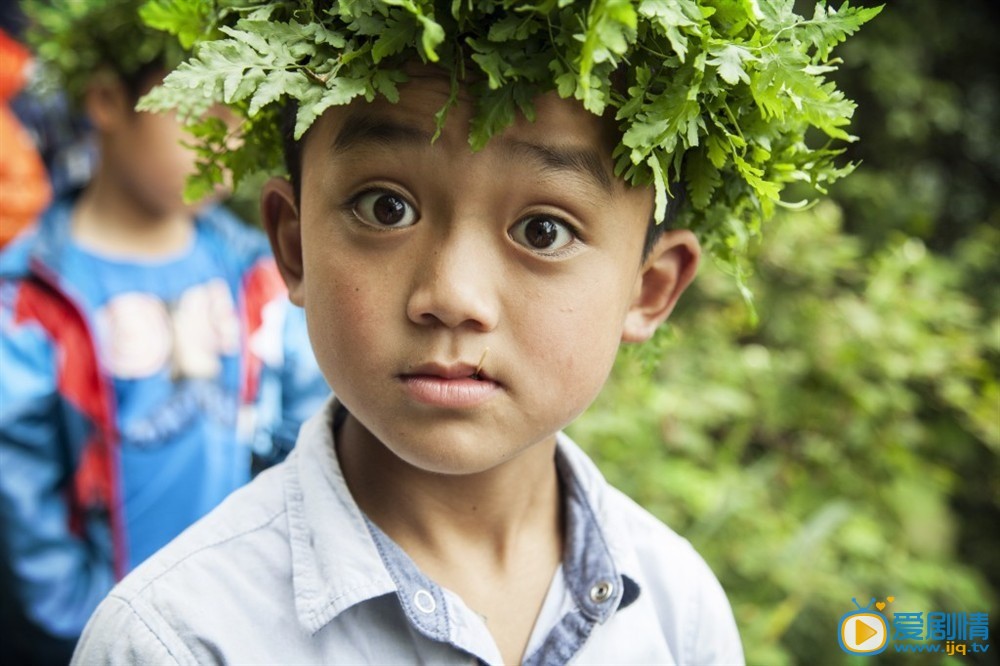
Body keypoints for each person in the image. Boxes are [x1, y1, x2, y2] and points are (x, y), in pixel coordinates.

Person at [71, 1, 876, 664]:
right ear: (292, 243)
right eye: (386, 207)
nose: (451, 296)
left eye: (544, 230)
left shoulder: (677, 610)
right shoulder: (174, 639)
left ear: (649, 288)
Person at [0, 1, 329, 663]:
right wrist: (97, 629)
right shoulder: (30, 299)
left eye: (241, 117)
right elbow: (20, 500)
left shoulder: (256, 275)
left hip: (236, 631)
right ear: (106, 101)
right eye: (204, 114)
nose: (227, 141)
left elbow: (306, 436)